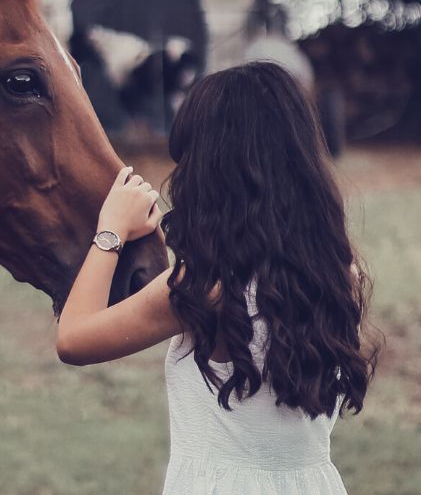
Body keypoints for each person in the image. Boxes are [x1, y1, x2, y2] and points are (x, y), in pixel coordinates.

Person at [57, 61, 380, 494]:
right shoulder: (340, 276)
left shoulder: (203, 287)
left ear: (213, 169)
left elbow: (74, 339)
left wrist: (110, 231)